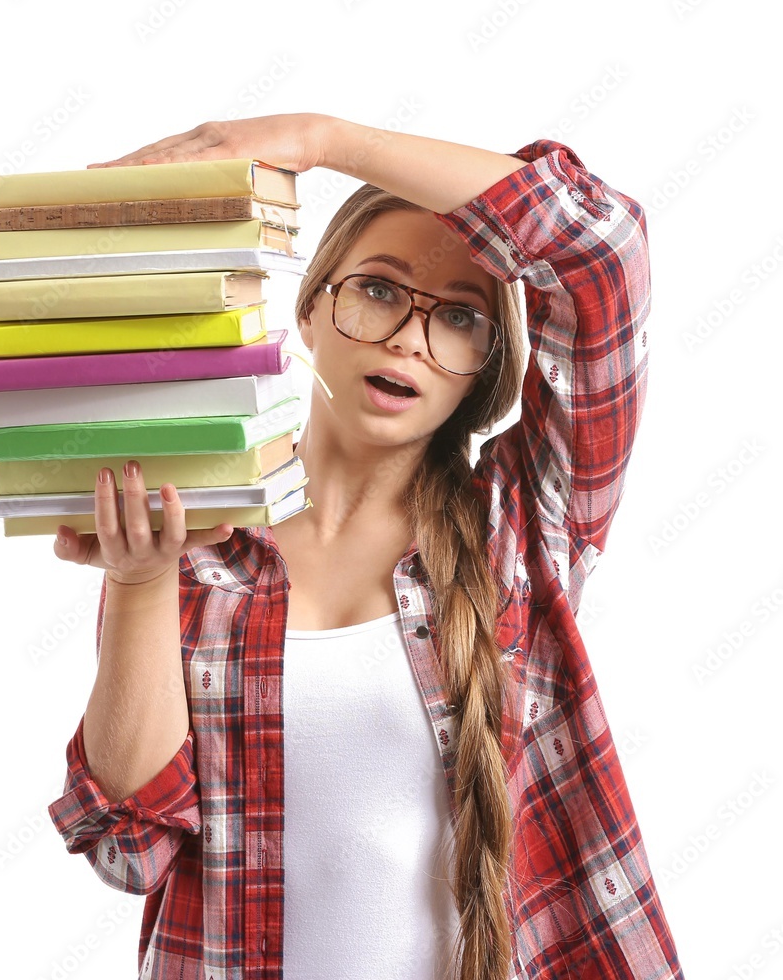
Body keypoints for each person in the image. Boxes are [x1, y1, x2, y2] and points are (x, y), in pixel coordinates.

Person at [46, 113, 684, 980]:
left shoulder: (527, 528)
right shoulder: (199, 545)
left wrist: (320, 140)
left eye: (459, 317)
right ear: (310, 312)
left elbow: (604, 248)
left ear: (485, 365)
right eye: (379, 289)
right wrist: (141, 578)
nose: (409, 336)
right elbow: (130, 853)